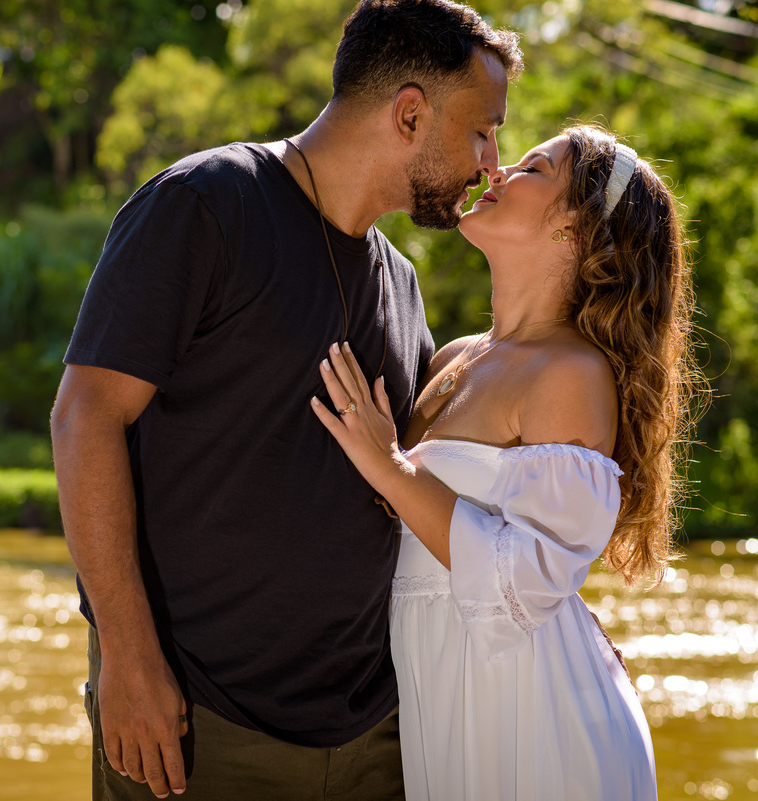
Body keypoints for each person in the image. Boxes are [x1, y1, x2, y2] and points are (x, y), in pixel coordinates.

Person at [50, 1, 523, 798]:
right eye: (483, 130)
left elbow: (413, 495)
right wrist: (130, 659)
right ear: (410, 113)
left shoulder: (402, 286)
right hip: (199, 725)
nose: (493, 162)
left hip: (375, 735)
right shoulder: (206, 204)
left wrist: (562, 633)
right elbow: (83, 417)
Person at [311, 123, 697, 799]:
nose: (498, 170)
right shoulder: (451, 356)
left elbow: (527, 579)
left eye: (534, 168)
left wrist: (389, 465)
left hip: (532, 717)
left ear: (575, 230)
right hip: (444, 696)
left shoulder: (570, 373)